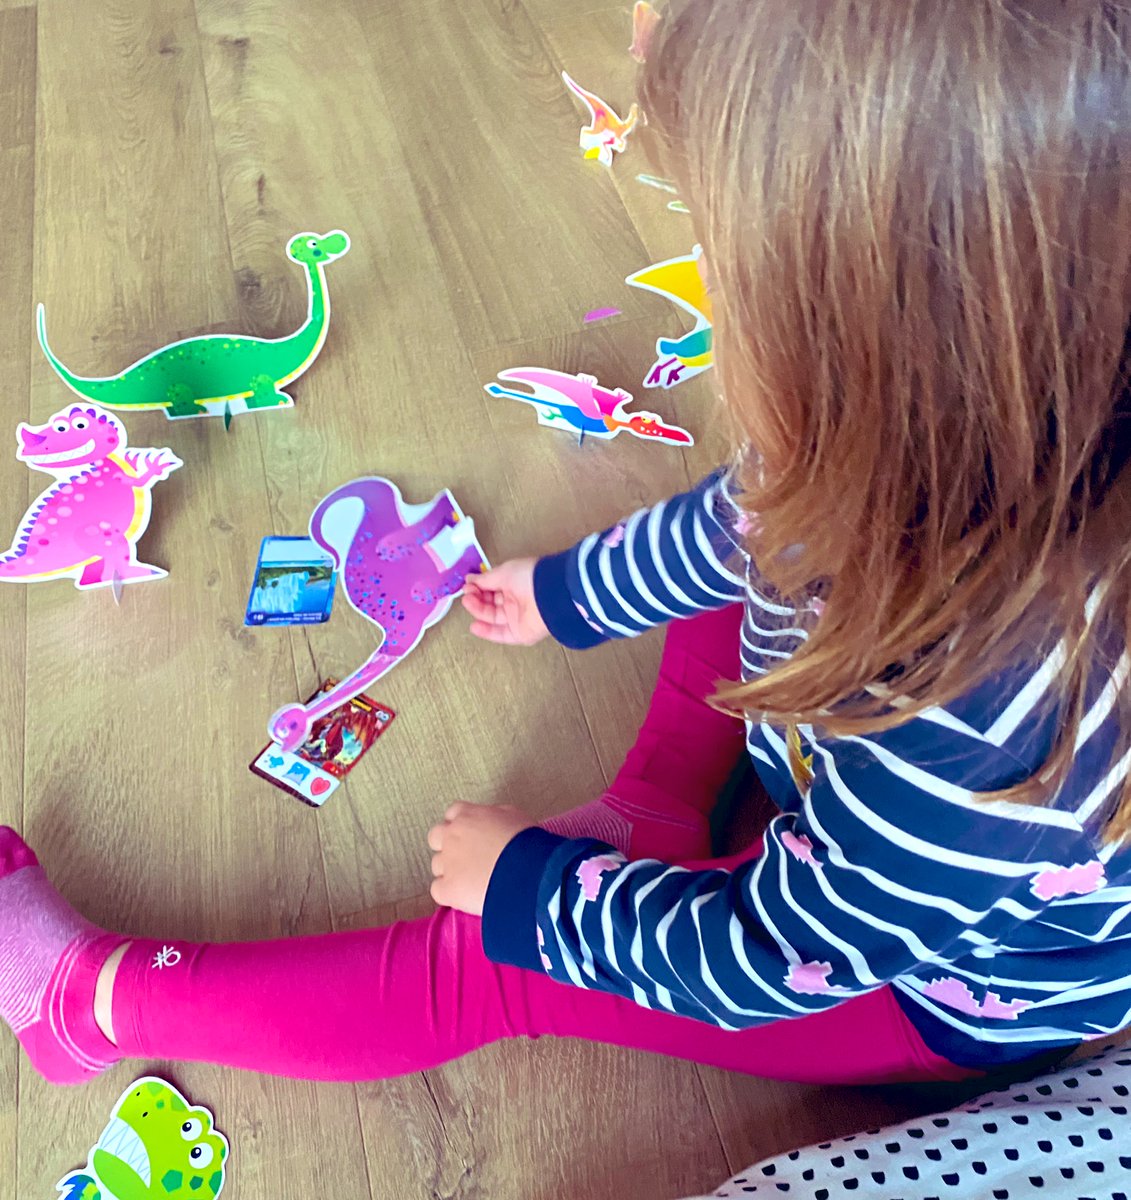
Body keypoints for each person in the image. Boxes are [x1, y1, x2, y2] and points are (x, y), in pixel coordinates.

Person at [3, 0, 1131, 1092]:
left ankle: (85, 1004)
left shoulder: (993, 724)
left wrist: (529, 890)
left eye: (723, 263)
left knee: (494, 963)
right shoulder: (926, 425)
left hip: (917, 987)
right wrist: (570, 592)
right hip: (875, 802)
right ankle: (658, 802)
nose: (707, 293)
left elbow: (766, 961)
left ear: (876, 336)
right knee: (763, 547)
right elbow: (746, 519)